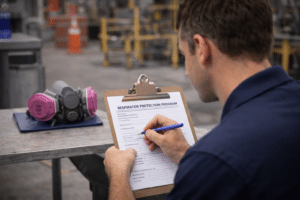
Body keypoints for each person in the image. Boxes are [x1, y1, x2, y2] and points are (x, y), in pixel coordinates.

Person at [103, 0, 300, 199]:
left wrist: (119, 173)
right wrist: (185, 153)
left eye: (183, 55)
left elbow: (225, 165)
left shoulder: (215, 160)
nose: (187, 71)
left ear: (201, 48)